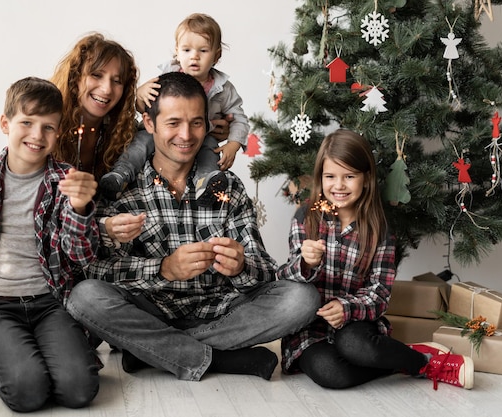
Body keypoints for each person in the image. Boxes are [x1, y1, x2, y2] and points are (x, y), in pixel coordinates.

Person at [66, 71, 319, 382]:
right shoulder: (121, 190)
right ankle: (215, 358)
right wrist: (165, 269)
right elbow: (97, 270)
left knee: (301, 298)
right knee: (84, 296)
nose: (186, 135)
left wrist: (241, 265)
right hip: (149, 310)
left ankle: (153, 350)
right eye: (173, 123)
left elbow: (266, 271)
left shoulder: (227, 187)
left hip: (221, 312)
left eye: (196, 123)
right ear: (149, 124)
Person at [0, 77, 101, 412]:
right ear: (5, 123)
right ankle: (2, 350)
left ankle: (52, 353)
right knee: (27, 394)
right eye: (26, 123)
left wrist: (81, 209)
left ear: (59, 132)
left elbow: (81, 255)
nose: (37, 136)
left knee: (79, 392)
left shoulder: (66, 181)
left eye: (48, 127)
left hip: (49, 302)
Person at [277, 129, 474, 390]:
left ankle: (421, 361)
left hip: (356, 324)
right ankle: (393, 360)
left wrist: (346, 308)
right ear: (320, 178)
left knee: (355, 346)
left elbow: (379, 295)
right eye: (330, 176)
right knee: (331, 373)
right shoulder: (306, 218)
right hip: (310, 329)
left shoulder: (378, 229)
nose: (338, 185)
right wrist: (305, 263)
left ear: (366, 179)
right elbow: (284, 281)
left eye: (349, 176)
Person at [100, 13, 247, 206]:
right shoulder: (166, 76)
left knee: (210, 153)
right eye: (187, 50)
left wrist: (233, 144)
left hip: (205, 137)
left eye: (203, 50)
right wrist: (140, 94)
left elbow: (239, 118)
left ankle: (207, 186)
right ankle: (120, 175)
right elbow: (146, 108)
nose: (194, 56)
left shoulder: (224, 88)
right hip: (158, 137)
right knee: (140, 143)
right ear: (177, 52)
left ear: (216, 55)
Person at [51, 32, 145, 246]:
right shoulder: (47, 128)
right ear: (76, 77)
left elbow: (170, 133)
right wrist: (104, 228)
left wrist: (212, 125)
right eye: (96, 75)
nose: (107, 89)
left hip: (93, 253)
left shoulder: (122, 134)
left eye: (117, 81)